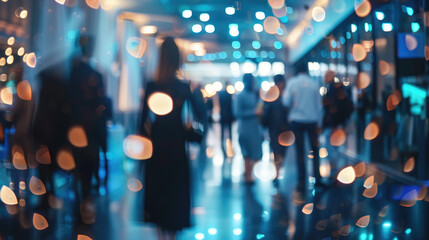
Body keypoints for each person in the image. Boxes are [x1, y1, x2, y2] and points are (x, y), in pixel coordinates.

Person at [139, 37, 199, 239]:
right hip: (177, 143)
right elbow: (199, 115)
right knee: (175, 192)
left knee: (158, 191)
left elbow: (142, 122)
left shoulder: (151, 85)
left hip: (157, 144)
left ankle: (160, 235)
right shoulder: (182, 87)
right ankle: (172, 235)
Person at [69, 35, 106, 200]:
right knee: (89, 162)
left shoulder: (73, 73)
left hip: (77, 126)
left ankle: (82, 193)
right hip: (90, 129)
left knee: (80, 163)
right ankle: (87, 192)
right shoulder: (93, 75)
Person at [282, 64, 324, 191]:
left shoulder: (292, 83)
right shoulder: (314, 84)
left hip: (297, 121)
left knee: (300, 152)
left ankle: (301, 180)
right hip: (312, 121)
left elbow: (285, 102)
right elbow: (319, 106)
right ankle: (318, 179)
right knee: (315, 151)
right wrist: (319, 124)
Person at [234, 73, 263, 183]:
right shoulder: (241, 96)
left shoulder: (255, 94)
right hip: (245, 128)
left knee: (255, 153)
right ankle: (248, 175)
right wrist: (253, 112)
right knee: (247, 152)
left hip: (254, 127)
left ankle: (248, 172)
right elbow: (237, 112)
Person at [262, 74, 288, 186]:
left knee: (279, 150)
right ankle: (277, 173)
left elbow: (264, 109)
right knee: (278, 150)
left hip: (277, 127)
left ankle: (278, 172)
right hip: (278, 127)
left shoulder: (278, 94)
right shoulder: (284, 94)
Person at [218, 81, 234, 159]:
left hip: (223, 115)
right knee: (229, 132)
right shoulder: (229, 95)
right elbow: (231, 106)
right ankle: (229, 143)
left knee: (223, 131)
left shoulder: (221, 94)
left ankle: (222, 144)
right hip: (228, 116)